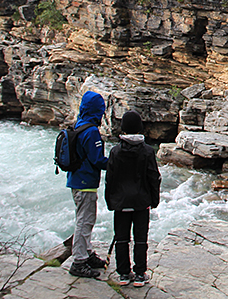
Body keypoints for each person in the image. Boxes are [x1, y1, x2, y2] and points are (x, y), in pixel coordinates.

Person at [105, 110, 161, 288]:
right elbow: (154, 177)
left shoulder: (115, 151)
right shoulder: (147, 151)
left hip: (121, 202)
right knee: (140, 239)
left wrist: (110, 201)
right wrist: (154, 200)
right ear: (139, 128)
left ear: (123, 129)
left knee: (121, 238)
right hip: (141, 201)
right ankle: (139, 274)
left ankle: (123, 273)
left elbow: (110, 179)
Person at [67, 90, 109, 278]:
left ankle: (87, 253)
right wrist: (117, 162)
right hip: (85, 183)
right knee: (85, 221)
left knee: (85, 219)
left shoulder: (79, 125)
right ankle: (79, 261)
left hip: (76, 181)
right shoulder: (91, 131)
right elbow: (97, 160)